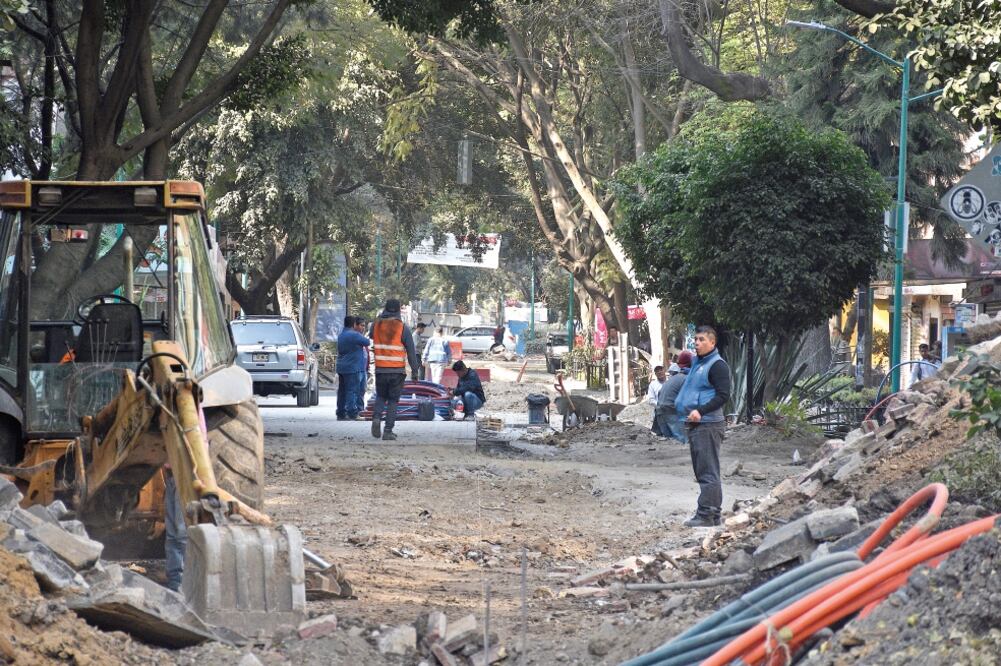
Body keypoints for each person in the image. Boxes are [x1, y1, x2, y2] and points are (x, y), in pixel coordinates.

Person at [675, 326, 731, 528]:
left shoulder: (717, 366)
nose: (696, 343)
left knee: (708, 471)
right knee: (704, 470)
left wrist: (701, 410)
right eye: (695, 339)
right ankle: (713, 514)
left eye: (701, 340)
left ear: (712, 343)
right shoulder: (698, 362)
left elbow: (723, 395)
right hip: (697, 424)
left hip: (707, 424)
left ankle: (707, 514)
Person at [370, 299, 419, 441]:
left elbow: (372, 336)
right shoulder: (402, 327)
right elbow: (411, 351)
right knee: (392, 401)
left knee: (380, 396)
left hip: (380, 369)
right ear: (398, 310)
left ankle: (376, 418)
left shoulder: (376, 325)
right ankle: (387, 431)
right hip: (396, 371)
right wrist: (415, 372)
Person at [336, 316, 370, 420]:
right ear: (354, 324)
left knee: (342, 391)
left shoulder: (341, 335)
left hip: (342, 367)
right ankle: (352, 413)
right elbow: (367, 342)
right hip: (353, 367)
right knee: (352, 391)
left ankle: (341, 413)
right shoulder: (354, 335)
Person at [657, 351, 693, 443]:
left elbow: (660, 393)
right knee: (683, 443)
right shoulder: (686, 379)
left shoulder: (673, 379)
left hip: (660, 412)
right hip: (671, 412)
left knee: (670, 445)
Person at [163, 465, 187, 592]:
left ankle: (187, 584)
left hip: (185, 474)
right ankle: (174, 583)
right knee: (172, 535)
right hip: (171, 476)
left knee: (182, 533)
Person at [646, 365, 667, 435]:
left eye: (661, 370)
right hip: (659, 411)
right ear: (655, 374)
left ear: (664, 371)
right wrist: (660, 405)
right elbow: (651, 400)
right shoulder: (653, 385)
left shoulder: (671, 382)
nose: (659, 372)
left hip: (672, 410)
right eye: (657, 371)